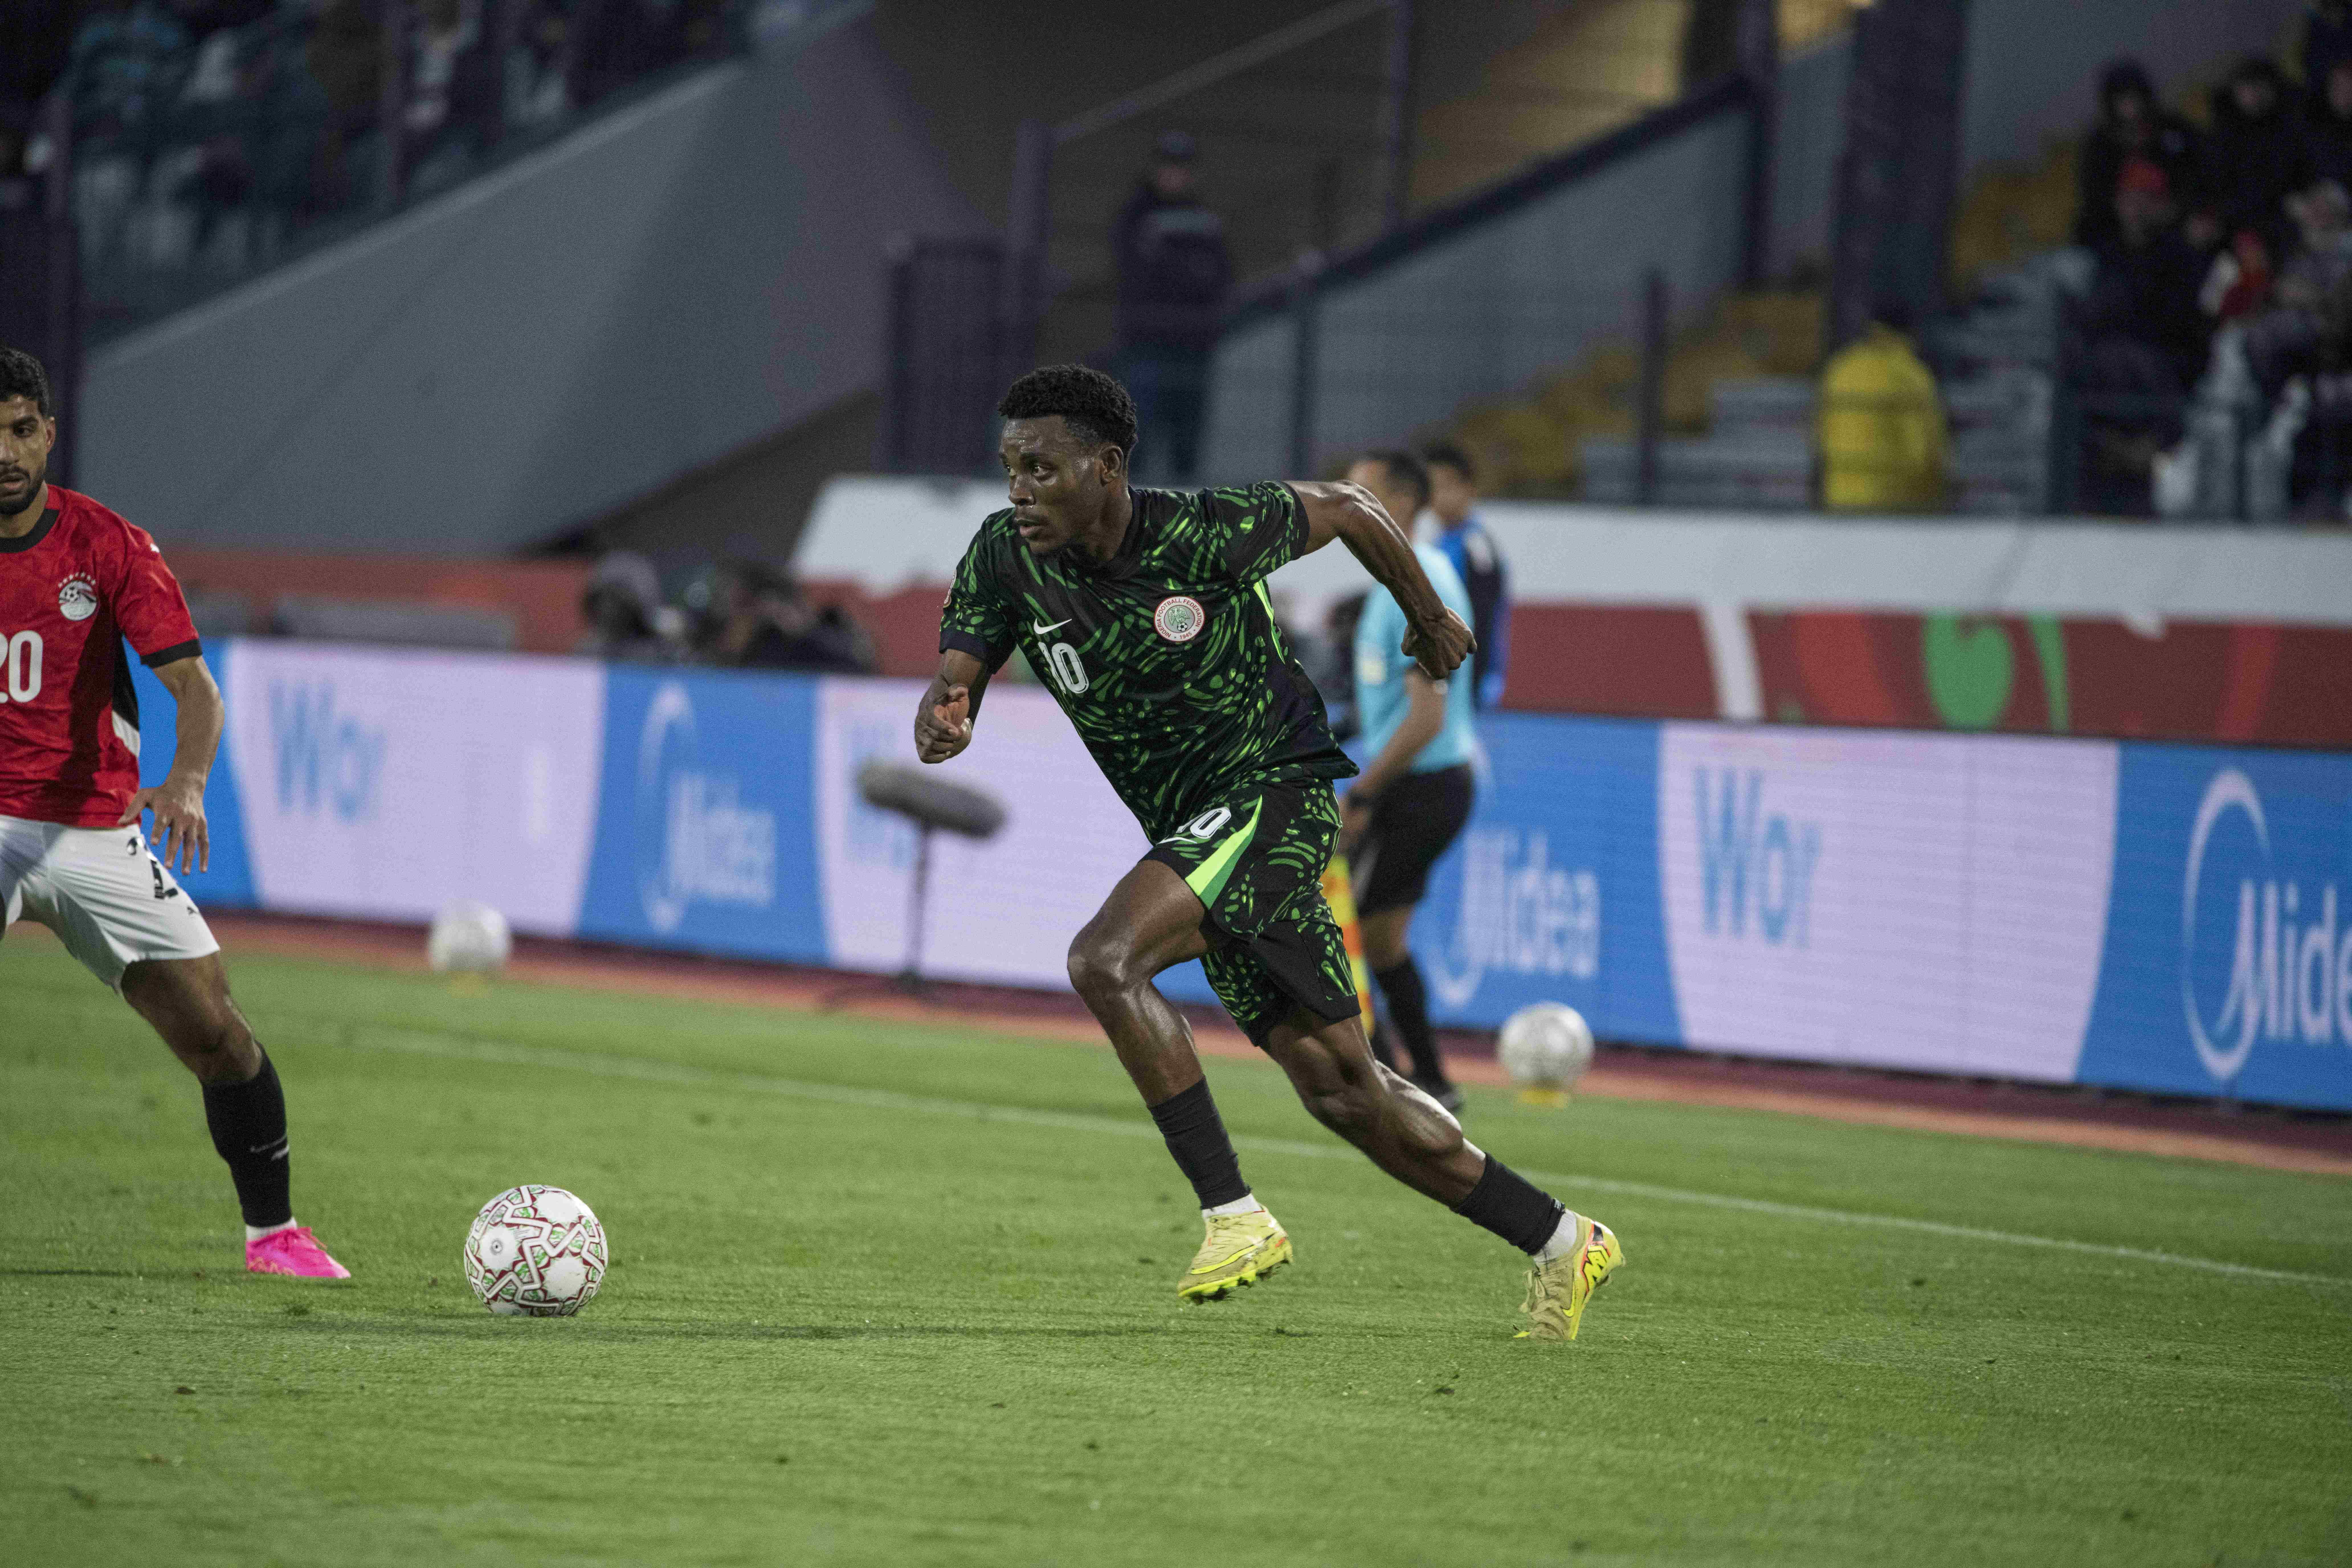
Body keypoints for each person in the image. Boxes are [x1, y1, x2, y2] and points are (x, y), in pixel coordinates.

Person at [915, 364, 1622, 1342]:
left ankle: (1232, 1213)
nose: (1019, 488)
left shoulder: (1200, 532)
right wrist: (947, 711)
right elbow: (957, 675)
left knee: (1103, 958)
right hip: (1197, 831)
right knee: (1345, 1091)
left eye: (1041, 467)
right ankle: (1561, 1238)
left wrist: (1427, 616)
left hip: (1271, 793)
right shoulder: (1003, 555)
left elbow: (1352, 508)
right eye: (1010, 468)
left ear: (1106, 466)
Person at [0, 345, 348, 1280]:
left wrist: (186, 781)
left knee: (217, 1032)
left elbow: (195, 688)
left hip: (93, 829)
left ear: (49, 434)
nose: (5, 452)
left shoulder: (109, 544)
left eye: (21, 430)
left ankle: (274, 1235)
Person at [1337, 451, 1478, 1114]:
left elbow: (1427, 717)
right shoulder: (1395, 579)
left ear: (1399, 502)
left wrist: (1364, 792)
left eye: (1358, 494)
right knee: (1382, 937)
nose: (1341, 506)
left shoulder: (1420, 582)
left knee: (1343, 929)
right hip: (1421, 784)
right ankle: (1429, 1081)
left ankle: (1384, 1081)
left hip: (1420, 786)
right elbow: (1395, 704)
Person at [1112, 130, 1230, 485]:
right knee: (1138, 439)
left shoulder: (1204, 219)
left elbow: (1220, 276)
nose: (1175, 175)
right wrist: (1188, 272)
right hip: (1147, 341)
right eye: (1168, 166)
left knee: (1186, 444)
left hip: (1192, 344)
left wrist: (1176, 269)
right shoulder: (1135, 216)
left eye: (1182, 167)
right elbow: (1136, 273)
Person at [1818, 301, 1948, 512]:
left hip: (1841, 496)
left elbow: (1820, 434)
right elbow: (1925, 447)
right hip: (1898, 500)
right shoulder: (1910, 374)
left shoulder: (1840, 369)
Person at [2073, 59, 2201, 254]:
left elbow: (2198, 171)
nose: (2129, 105)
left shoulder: (2172, 130)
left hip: (2176, 220)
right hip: (2118, 233)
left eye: (2133, 97)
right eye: (2122, 99)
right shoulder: (2100, 145)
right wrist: (2126, 210)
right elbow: (2094, 196)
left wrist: (2175, 207)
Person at [1420, 442, 1510, 709]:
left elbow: (1483, 615)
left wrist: (1478, 674)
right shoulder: (1438, 544)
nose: (1438, 496)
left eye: (1447, 487)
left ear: (1469, 490)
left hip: (1466, 671)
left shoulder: (1477, 545)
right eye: (1432, 488)